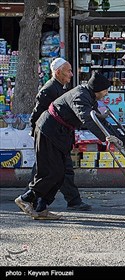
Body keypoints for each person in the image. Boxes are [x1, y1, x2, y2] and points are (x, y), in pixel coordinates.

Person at [15, 72, 125, 220]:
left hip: (60, 134)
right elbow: (89, 120)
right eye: (106, 90)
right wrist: (107, 138)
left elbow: (101, 121)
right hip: (48, 131)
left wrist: (121, 138)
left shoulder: (89, 96)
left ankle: (41, 207)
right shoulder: (80, 97)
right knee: (52, 171)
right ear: (98, 89)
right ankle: (26, 198)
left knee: (61, 173)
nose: (107, 93)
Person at [28, 57, 91, 211]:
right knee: (51, 170)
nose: (71, 74)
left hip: (57, 137)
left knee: (53, 170)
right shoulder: (49, 89)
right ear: (58, 72)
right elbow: (38, 115)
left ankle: (36, 200)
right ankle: (34, 198)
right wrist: (38, 135)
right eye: (68, 71)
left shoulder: (60, 88)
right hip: (49, 137)